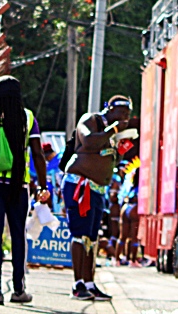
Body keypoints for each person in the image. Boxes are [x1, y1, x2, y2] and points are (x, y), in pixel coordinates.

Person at [0, 76, 51, 305]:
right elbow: (38, 154)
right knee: (18, 236)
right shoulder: (27, 117)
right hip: (18, 185)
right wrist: (43, 185)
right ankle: (18, 289)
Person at [62, 95, 133, 301]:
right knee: (80, 235)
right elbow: (89, 142)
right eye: (122, 114)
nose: (125, 119)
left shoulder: (114, 132)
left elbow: (104, 155)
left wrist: (120, 150)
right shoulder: (90, 120)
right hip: (79, 185)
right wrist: (114, 130)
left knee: (92, 239)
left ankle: (90, 284)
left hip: (98, 189)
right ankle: (77, 285)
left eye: (128, 116)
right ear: (110, 109)